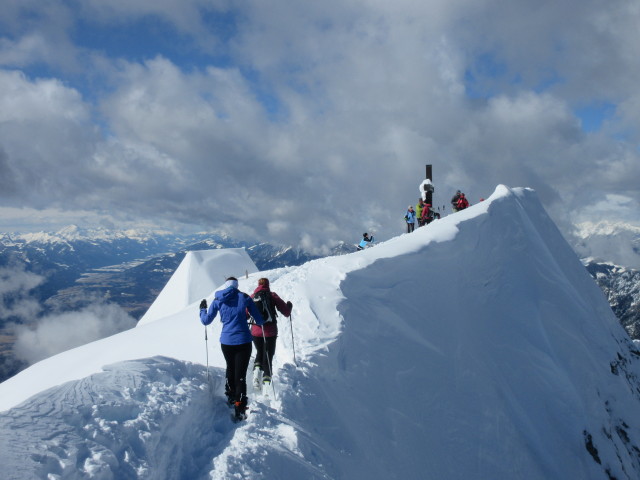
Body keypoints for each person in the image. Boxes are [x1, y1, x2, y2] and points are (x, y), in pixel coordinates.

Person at [200, 277, 264, 420]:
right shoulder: (244, 297)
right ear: (236, 286)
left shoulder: (218, 300)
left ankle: (230, 395)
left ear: (226, 285)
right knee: (240, 373)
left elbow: (206, 320)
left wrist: (202, 309)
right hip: (244, 340)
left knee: (230, 367)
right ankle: (240, 406)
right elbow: (259, 320)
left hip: (226, 341)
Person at [249, 278, 292, 391]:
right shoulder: (272, 296)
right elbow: (286, 312)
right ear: (268, 285)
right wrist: (289, 307)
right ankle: (267, 383)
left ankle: (256, 376)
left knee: (259, 352)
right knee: (268, 356)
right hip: (270, 332)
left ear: (258, 285)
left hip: (256, 331)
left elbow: (246, 315)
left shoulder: (252, 296)